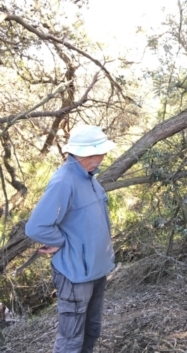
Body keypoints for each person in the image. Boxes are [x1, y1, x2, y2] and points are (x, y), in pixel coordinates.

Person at [25, 125, 116, 353]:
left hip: (96, 271)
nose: (104, 156)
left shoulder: (90, 178)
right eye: (101, 152)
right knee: (71, 341)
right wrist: (58, 242)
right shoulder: (64, 181)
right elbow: (36, 227)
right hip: (74, 275)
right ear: (87, 154)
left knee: (92, 330)